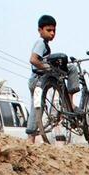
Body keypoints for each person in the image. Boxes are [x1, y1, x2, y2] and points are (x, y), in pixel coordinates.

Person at [26, 14, 79, 143]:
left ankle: (30, 138)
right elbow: (33, 60)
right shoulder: (41, 43)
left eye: (54, 30)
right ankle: (69, 104)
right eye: (48, 30)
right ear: (40, 30)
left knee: (36, 107)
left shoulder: (45, 45)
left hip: (34, 80)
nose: (52, 33)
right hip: (40, 78)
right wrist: (48, 68)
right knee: (72, 68)